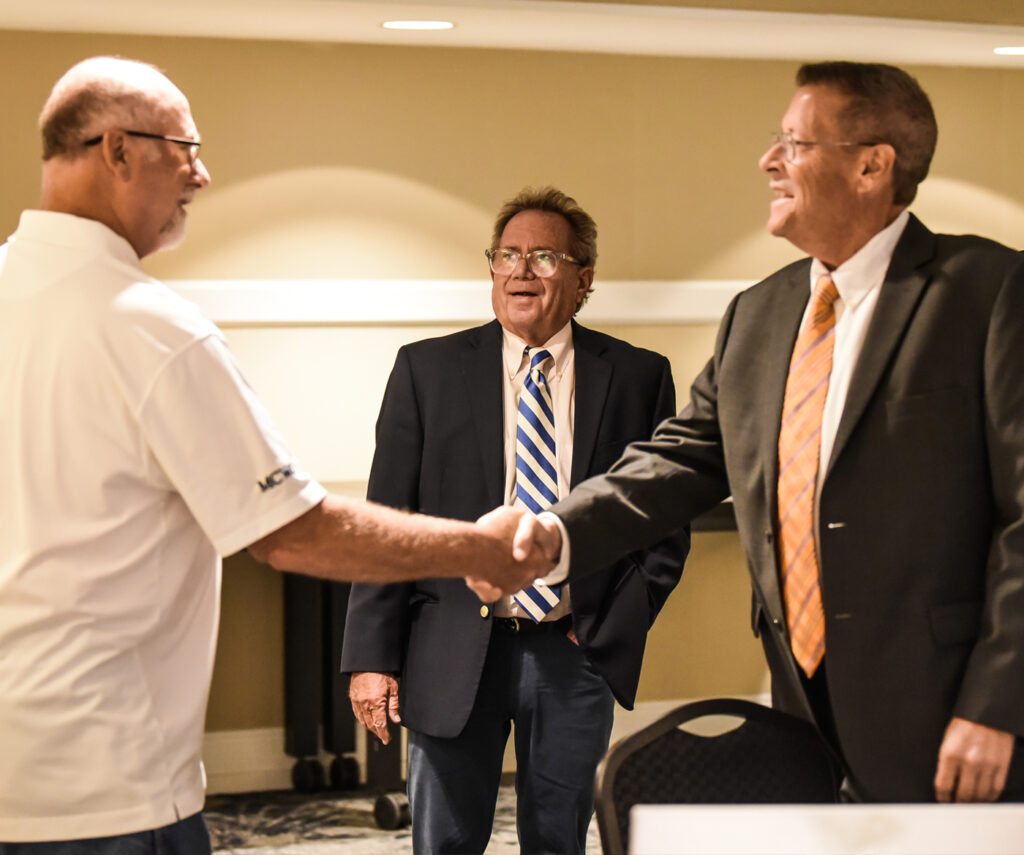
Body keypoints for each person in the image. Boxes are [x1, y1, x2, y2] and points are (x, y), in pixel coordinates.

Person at [0, 57, 544, 852]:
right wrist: (481, 546)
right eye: (183, 148)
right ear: (116, 150)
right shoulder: (150, 328)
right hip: (107, 790)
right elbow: (293, 531)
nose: (203, 173)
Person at [503, 61, 1024, 804]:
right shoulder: (759, 313)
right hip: (803, 710)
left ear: (874, 165)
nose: (768, 160)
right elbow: (679, 458)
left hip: (953, 717)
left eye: (794, 141)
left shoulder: (991, 292)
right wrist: (554, 534)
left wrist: (998, 703)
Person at [340, 186, 688, 853]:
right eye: (508, 254)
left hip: (571, 650)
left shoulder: (639, 376)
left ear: (584, 278)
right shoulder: (427, 370)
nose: (521, 269)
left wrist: (615, 622)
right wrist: (371, 658)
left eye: (544, 256)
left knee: (558, 839)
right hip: (447, 647)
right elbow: (387, 521)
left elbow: (662, 522)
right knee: (445, 841)